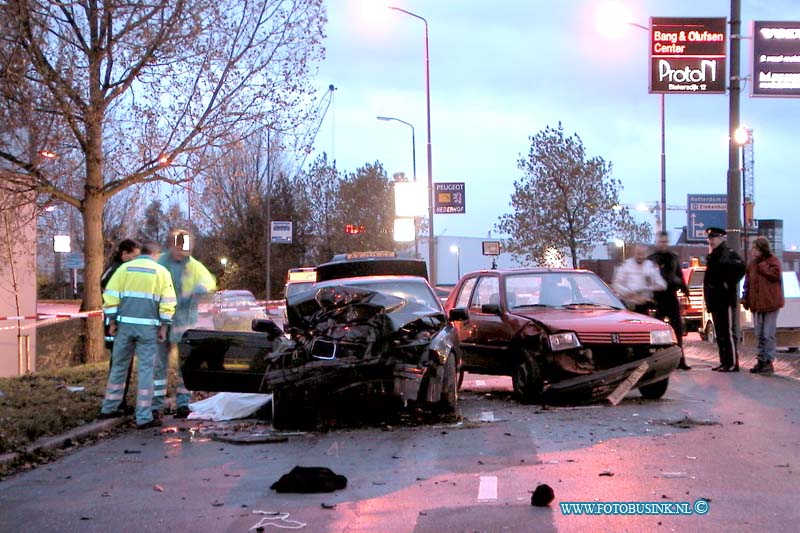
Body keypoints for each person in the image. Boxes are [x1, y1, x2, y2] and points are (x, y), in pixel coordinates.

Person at [99, 241, 176, 429]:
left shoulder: (124, 269)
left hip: (124, 327)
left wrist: (112, 321)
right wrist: (164, 327)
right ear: (155, 255)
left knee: (119, 367)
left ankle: (109, 407)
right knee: (146, 370)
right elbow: (168, 303)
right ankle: (143, 416)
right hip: (148, 329)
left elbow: (110, 296)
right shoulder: (161, 272)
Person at [154, 229, 216, 419]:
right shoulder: (160, 263)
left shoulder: (194, 266)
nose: (182, 251)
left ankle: (183, 403)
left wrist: (203, 290)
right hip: (161, 321)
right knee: (158, 365)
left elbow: (210, 285)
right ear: (172, 244)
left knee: (186, 366)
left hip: (184, 323)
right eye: (179, 246)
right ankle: (155, 405)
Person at [100, 238, 141, 413]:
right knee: (120, 364)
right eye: (133, 257)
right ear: (124, 254)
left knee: (122, 363)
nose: (135, 261)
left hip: (117, 322)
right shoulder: (117, 271)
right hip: (116, 324)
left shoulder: (115, 269)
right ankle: (115, 403)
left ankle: (119, 401)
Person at [703, 227, 746, 372]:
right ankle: (724, 361)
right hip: (715, 300)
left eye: (713, 238)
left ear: (721, 238)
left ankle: (732, 362)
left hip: (725, 299)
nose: (711, 241)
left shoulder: (727, 253)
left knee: (727, 331)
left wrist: (728, 283)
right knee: (720, 333)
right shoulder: (713, 255)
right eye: (709, 238)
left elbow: (741, 267)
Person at [648, 231, 691, 370]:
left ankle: (680, 359)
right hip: (657, 298)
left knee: (677, 330)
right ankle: (659, 360)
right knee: (657, 332)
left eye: (665, 242)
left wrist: (684, 289)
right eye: (661, 242)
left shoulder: (673, 258)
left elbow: (678, 274)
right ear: (657, 242)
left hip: (671, 296)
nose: (663, 244)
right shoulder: (652, 259)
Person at [741, 236, 784, 374]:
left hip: (770, 303)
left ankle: (768, 361)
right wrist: (745, 298)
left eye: (754, 248)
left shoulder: (772, 262)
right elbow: (748, 283)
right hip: (757, 303)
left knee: (768, 334)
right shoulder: (752, 264)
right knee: (759, 333)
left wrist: (762, 264)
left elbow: (775, 275)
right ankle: (761, 360)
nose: (752, 251)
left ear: (761, 249)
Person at [612, 244, 666, 314]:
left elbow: (662, 284)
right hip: (629, 306)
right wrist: (629, 293)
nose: (640, 257)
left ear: (646, 254)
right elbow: (616, 284)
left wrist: (649, 287)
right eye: (638, 254)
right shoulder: (626, 265)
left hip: (645, 306)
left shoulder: (650, 266)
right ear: (634, 253)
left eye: (642, 254)